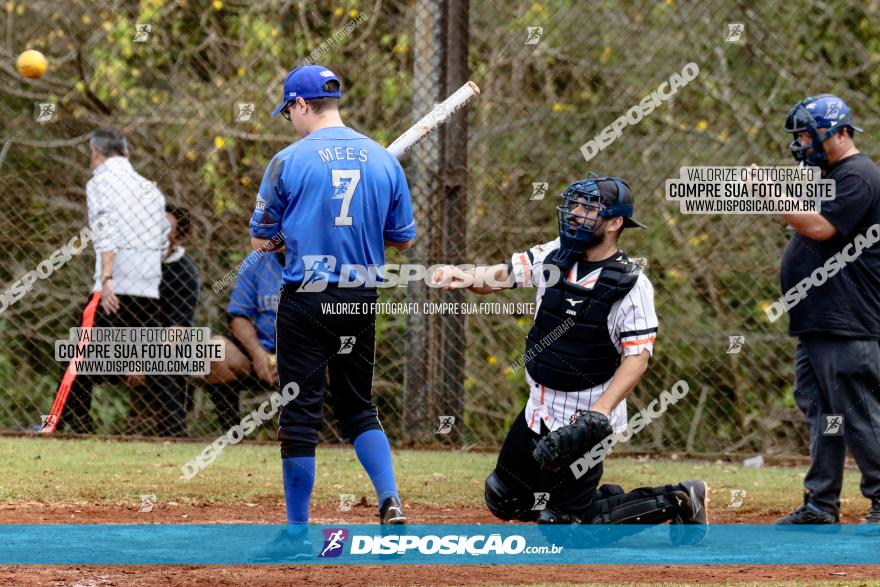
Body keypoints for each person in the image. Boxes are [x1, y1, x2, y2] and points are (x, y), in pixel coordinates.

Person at [434, 174, 707, 539]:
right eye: (575, 205)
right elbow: (498, 277)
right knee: (505, 499)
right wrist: (463, 275)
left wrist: (599, 415)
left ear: (614, 223)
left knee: (565, 530)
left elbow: (637, 358)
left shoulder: (631, 284)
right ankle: (592, 503)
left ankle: (677, 499)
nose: (575, 214)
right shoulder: (554, 254)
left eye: (588, 209)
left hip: (586, 418)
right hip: (539, 405)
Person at [248, 64, 415, 561]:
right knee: (358, 405)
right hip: (359, 295)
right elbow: (402, 238)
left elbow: (261, 239)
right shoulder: (384, 160)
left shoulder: (287, 160)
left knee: (300, 412)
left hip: (306, 297)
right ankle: (390, 500)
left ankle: (298, 533)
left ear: (301, 105)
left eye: (289, 112)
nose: (290, 121)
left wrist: (289, 234)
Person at [772, 94, 880, 525]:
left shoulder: (858, 174)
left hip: (848, 320)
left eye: (807, 134)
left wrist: (767, 197)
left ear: (839, 134)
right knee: (824, 413)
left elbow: (820, 226)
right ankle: (821, 503)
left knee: (856, 412)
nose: (801, 143)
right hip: (819, 319)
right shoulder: (830, 174)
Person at [61, 128, 169, 433]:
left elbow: (105, 229)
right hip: (148, 288)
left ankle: (79, 425)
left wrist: (107, 277)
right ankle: (171, 428)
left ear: (96, 153)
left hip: (114, 289)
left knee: (75, 354)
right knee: (153, 361)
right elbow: (163, 240)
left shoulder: (101, 183)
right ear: (127, 154)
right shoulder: (151, 189)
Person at [127, 205, 201, 437]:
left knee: (166, 363)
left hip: (163, 348)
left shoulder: (185, 273)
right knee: (74, 355)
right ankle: (74, 428)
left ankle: (175, 435)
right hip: (124, 345)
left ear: (178, 238)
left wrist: (144, 358)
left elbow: (177, 330)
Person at [204, 247, 284, 430]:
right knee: (215, 349)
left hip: (306, 354)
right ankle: (231, 434)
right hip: (261, 353)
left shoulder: (322, 259)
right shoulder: (257, 260)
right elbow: (238, 316)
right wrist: (257, 354)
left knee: (340, 355)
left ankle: (332, 436)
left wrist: (292, 357)